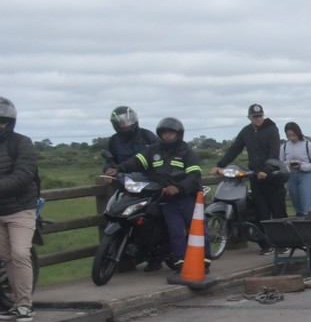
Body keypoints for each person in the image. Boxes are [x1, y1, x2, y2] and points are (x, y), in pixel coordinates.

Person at [133, 118, 203, 271]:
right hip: (166, 199)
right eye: (165, 133)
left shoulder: (187, 151)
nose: (168, 136)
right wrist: (116, 169)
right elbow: (136, 162)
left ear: (178, 134)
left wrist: (179, 188)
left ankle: (204, 261)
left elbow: (194, 175)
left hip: (186, 198)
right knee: (175, 231)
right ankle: (180, 263)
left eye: (171, 133)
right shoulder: (152, 150)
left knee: (197, 229)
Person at [215, 103, 285, 251]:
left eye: (260, 116)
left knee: (277, 209)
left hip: (271, 176)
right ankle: (267, 245)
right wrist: (220, 165)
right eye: (255, 117)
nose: (258, 119)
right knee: (261, 211)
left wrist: (266, 170)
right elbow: (235, 149)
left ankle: (283, 243)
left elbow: (274, 153)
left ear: (263, 116)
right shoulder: (246, 131)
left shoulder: (272, 130)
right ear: (249, 117)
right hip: (255, 176)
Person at [0, 96, 38, 322]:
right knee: (6, 258)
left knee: (20, 254)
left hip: (20, 209)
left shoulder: (22, 142)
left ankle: (25, 306)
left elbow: (24, 175)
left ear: (10, 122)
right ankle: (17, 303)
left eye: (2, 121)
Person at [280, 121, 311, 216]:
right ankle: (299, 222)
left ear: (298, 133)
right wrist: (288, 164)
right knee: (296, 202)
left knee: (305, 203)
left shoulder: (308, 145)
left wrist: (302, 167)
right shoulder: (284, 146)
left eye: (293, 135)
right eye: (289, 136)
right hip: (291, 175)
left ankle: (307, 223)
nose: (292, 138)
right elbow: (280, 162)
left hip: (305, 175)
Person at [102, 106, 158, 176]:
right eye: (122, 123)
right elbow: (110, 161)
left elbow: (162, 155)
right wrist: (108, 168)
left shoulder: (147, 136)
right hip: (124, 180)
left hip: (149, 178)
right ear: (116, 124)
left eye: (129, 121)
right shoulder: (113, 141)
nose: (127, 125)